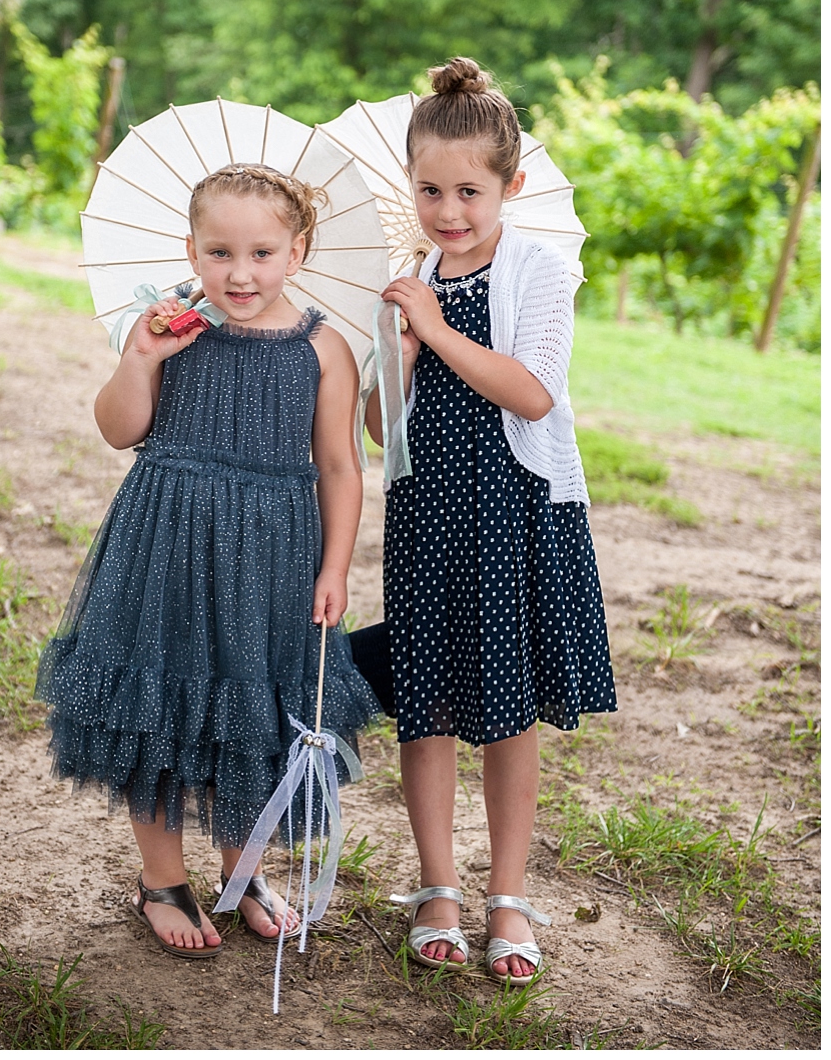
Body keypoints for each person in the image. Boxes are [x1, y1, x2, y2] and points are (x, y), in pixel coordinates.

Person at [36, 163, 379, 958]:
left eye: (262, 253)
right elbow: (119, 430)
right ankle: (162, 879)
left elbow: (339, 467)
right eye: (219, 252)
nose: (240, 272)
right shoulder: (171, 329)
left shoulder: (325, 348)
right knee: (156, 704)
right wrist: (141, 359)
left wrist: (335, 566)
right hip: (168, 542)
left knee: (249, 712)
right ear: (192, 250)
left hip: (273, 555)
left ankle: (243, 870)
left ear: (296, 252)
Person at [365, 58, 617, 984]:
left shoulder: (538, 271)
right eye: (430, 189)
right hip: (429, 513)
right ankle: (439, 888)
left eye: (469, 190)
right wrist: (392, 350)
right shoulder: (413, 280)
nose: (449, 210)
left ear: (509, 185)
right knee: (423, 705)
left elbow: (533, 393)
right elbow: (376, 427)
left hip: (513, 513)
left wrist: (433, 328)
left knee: (510, 712)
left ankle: (507, 892)